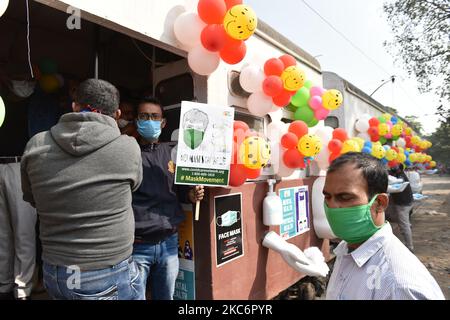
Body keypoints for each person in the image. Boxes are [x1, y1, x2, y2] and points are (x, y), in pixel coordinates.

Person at [21, 79, 144, 300]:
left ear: (74, 107)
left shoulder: (36, 145)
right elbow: (134, 186)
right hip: (106, 270)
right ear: (116, 114)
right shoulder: (128, 147)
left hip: (54, 271)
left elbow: (31, 197)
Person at [323, 152, 444, 300]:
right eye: (327, 197)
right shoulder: (346, 249)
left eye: (345, 197)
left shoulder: (399, 286)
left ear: (380, 203)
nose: (332, 207)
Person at [131, 96, 204, 300]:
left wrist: (191, 194)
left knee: (166, 296)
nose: (150, 120)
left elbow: (180, 191)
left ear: (163, 123)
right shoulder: (129, 153)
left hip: (169, 242)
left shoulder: (173, 151)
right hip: (137, 244)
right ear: (137, 121)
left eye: (154, 117)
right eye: (144, 116)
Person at [0, 66, 37, 300]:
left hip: (21, 165)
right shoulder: (2, 93)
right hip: (0, 164)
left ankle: (22, 289)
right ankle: (3, 285)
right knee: (2, 232)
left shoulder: (38, 96)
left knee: (23, 231)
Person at [388, 164, 415, 251]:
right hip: (406, 203)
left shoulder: (401, 177)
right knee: (398, 220)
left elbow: (395, 183)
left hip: (403, 205)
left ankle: (410, 247)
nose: (391, 169)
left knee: (404, 225)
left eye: (393, 167)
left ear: (399, 168)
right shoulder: (398, 175)